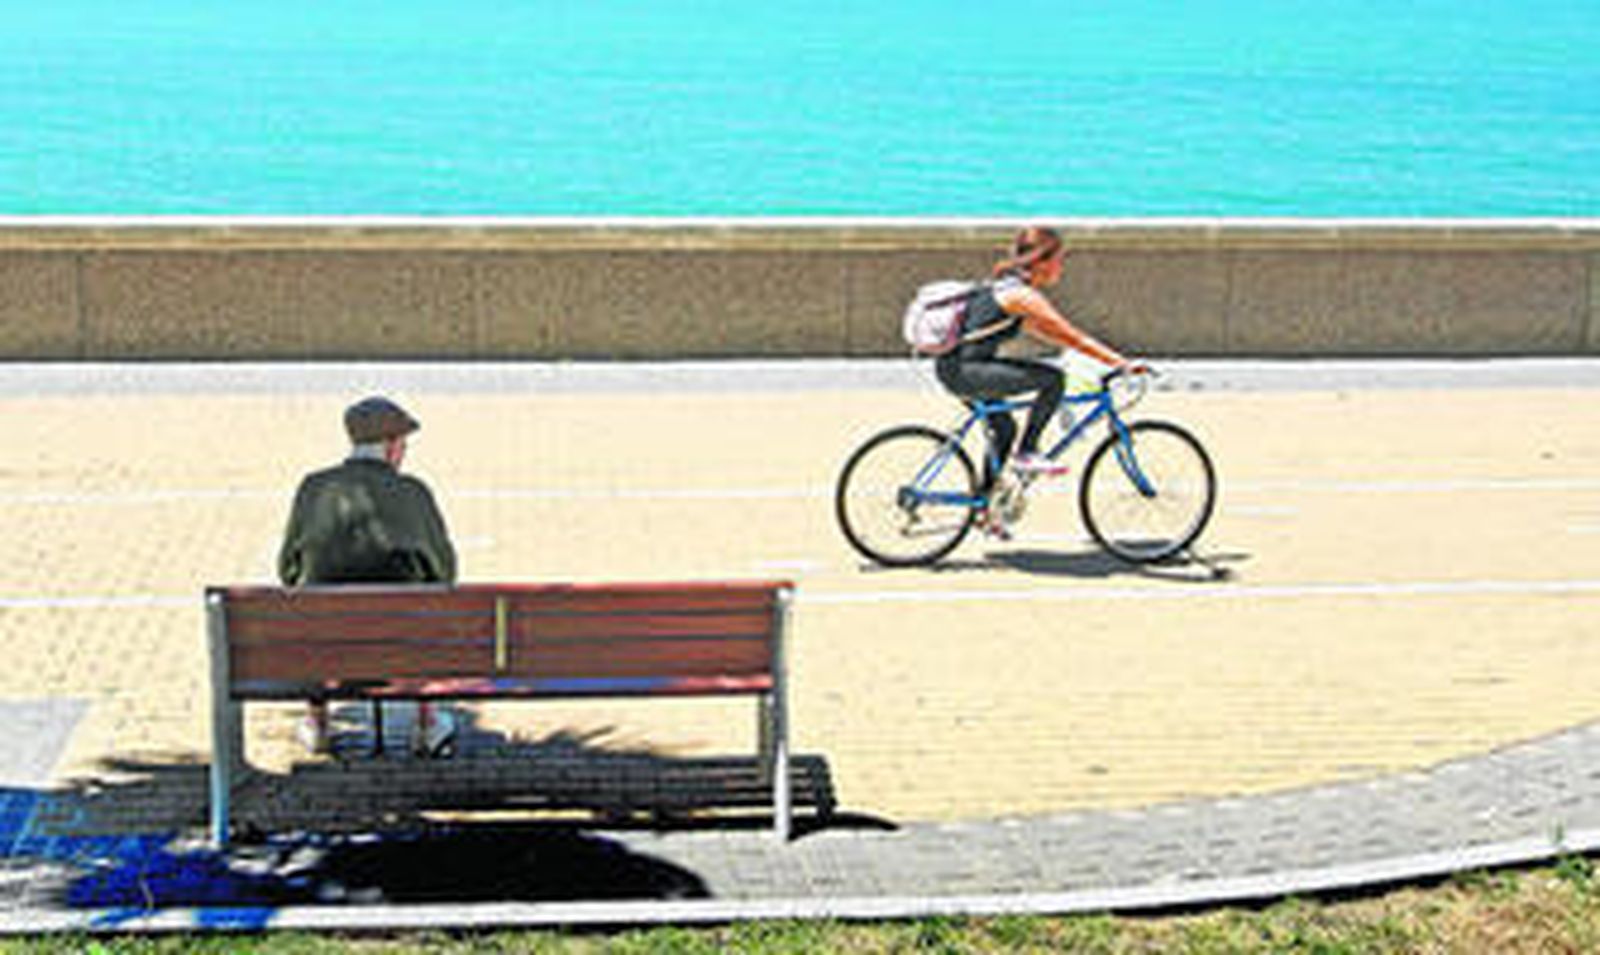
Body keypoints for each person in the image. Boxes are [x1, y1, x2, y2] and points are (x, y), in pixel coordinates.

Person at [277, 395, 459, 757]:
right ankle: (425, 724)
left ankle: (318, 723)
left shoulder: (314, 488)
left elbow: (288, 569)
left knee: (308, 610)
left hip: (328, 647)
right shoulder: (413, 492)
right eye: (403, 444)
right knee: (431, 611)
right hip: (403, 646)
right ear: (392, 447)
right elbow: (444, 574)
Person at [935, 225, 1142, 536]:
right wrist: (1120, 362)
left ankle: (983, 507)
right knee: (1052, 380)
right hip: (968, 372)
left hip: (957, 368)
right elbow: (1072, 335)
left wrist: (1088, 354)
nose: (1061, 266)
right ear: (1041, 260)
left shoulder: (1007, 288)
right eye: (1059, 259)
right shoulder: (1022, 295)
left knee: (1004, 428)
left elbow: (1049, 332)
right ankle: (1028, 452)